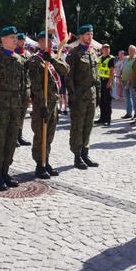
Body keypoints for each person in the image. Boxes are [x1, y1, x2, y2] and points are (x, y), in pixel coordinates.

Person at [0, 26, 27, 191]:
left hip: (15, 109)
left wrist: (22, 106)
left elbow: (23, 85)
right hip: (0, 109)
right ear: (3, 39)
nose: (15, 40)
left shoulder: (19, 59)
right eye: (11, 37)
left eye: (16, 37)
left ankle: (6, 171)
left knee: (11, 141)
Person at [27, 31, 69, 179]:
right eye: (46, 41)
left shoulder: (51, 58)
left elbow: (65, 70)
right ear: (39, 42)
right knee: (41, 134)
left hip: (54, 103)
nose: (50, 43)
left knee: (49, 135)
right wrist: (42, 103)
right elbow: (35, 85)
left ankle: (46, 160)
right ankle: (39, 164)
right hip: (42, 104)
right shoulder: (35, 60)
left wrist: (52, 60)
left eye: (51, 41)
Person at [66, 24, 101, 169]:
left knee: (88, 126)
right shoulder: (74, 53)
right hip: (79, 97)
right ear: (80, 36)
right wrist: (72, 97)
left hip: (91, 96)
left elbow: (96, 76)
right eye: (87, 34)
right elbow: (69, 78)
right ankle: (77, 156)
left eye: (92, 34)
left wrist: (98, 95)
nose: (90, 36)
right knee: (77, 127)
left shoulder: (93, 52)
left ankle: (85, 154)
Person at [15, 33, 32, 147]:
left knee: (22, 114)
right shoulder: (13, 53)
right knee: (15, 114)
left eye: (24, 41)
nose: (23, 42)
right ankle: (13, 136)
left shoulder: (27, 54)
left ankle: (19, 135)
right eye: (21, 40)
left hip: (26, 88)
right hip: (15, 88)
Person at [95, 43, 115, 127]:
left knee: (107, 101)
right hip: (100, 81)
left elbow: (112, 72)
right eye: (104, 48)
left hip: (107, 81)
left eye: (108, 48)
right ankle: (102, 118)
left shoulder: (111, 59)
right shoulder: (99, 59)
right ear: (102, 49)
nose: (106, 50)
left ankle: (108, 119)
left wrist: (109, 82)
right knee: (101, 101)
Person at [120, 45, 136, 119]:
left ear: (135, 51)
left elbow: (133, 72)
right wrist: (120, 74)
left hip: (132, 81)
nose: (130, 51)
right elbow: (123, 67)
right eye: (129, 50)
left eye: (132, 50)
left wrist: (128, 81)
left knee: (134, 98)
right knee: (127, 98)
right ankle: (128, 113)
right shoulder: (126, 58)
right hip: (124, 80)